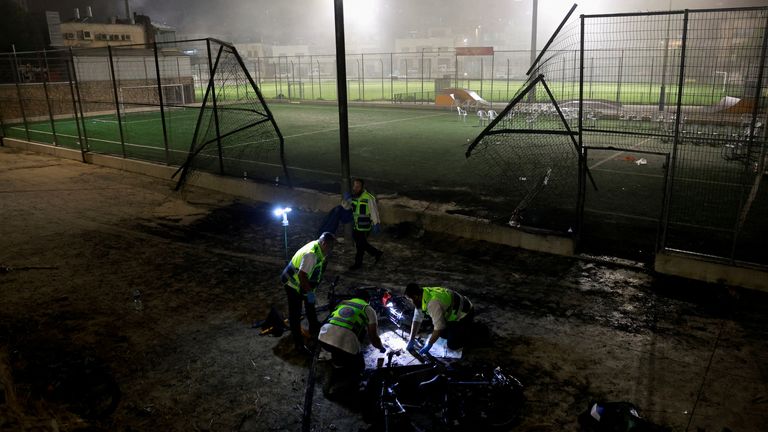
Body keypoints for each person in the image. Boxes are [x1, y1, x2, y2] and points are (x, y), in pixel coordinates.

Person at [280, 232, 336, 354]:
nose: (330, 250)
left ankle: (314, 325)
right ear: (324, 243)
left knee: (310, 304)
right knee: (295, 314)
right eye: (330, 247)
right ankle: (298, 344)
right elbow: (302, 275)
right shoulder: (312, 254)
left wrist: (310, 292)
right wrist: (309, 292)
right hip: (293, 284)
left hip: (303, 284)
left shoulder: (317, 246)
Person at [318, 295, 386, 374]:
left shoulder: (343, 302)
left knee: (336, 347)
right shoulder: (369, 309)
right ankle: (353, 377)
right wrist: (381, 347)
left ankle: (337, 365)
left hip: (323, 339)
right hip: (347, 346)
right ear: (368, 301)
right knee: (360, 366)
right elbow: (373, 338)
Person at [404, 283, 474, 355]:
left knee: (452, 345)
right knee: (437, 330)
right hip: (453, 312)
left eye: (410, 300)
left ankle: (471, 332)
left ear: (415, 297)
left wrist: (429, 344)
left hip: (465, 314)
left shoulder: (433, 303)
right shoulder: (422, 294)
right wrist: (411, 339)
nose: (410, 302)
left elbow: (439, 327)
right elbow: (416, 319)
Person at [347, 178, 383, 270]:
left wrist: (376, 223)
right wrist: (346, 200)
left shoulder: (369, 198)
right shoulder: (353, 196)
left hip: (364, 227)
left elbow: (374, 211)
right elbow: (346, 207)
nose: (355, 188)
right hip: (355, 225)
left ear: (362, 187)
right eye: (354, 186)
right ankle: (376, 253)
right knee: (362, 243)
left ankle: (357, 264)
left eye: (357, 186)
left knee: (360, 246)